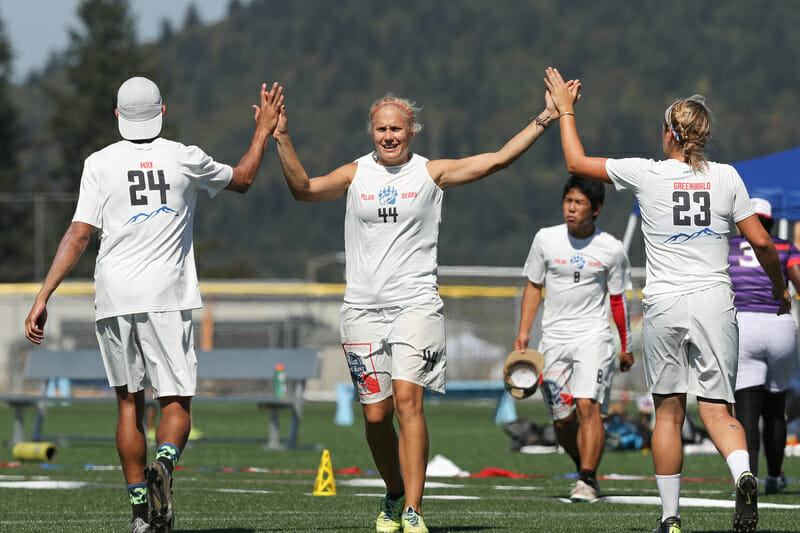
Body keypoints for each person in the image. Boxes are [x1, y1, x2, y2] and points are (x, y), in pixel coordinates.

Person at [271, 83, 575, 533]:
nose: (388, 136)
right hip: (361, 311)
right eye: (381, 129)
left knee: (408, 403)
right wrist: (281, 137)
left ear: (412, 131)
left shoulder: (431, 174)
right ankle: (393, 493)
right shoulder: (355, 174)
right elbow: (304, 188)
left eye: (396, 128)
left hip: (415, 307)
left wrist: (547, 117)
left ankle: (413, 509)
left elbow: (497, 159)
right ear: (371, 132)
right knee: (375, 415)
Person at [24, 76, 283, 533]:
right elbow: (242, 179)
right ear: (162, 112)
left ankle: (141, 514)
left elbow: (79, 233)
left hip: (114, 296)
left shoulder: (99, 163)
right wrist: (262, 129)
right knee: (175, 403)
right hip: (167, 295)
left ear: (117, 116)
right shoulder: (184, 155)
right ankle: (164, 462)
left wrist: (43, 296)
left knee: (128, 404)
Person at [544, 67, 790, 533]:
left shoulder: (647, 174)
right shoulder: (727, 177)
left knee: (669, 411)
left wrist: (566, 109)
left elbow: (576, 161)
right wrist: (780, 287)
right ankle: (743, 474)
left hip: (665, 305)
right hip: (716, 302)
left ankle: (671, 518)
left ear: (669, 134)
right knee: (719, 411)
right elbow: (761, 242)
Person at [514, 175, 633, 502]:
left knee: (587, 405)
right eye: (568, 201)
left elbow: (618, 299)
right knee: (562, 420)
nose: (571, 208)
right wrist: (524, 332)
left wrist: (627, 346)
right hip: (553, 340)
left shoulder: (611, 248)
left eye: (579, 203)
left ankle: (587, 478)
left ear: (595, 209)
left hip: (593, 337)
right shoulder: (545, 239)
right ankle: (585, 467)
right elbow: (533, 286)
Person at [729, 197, 800, 494]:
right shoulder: (785, 247)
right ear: (770, 222)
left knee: (746, 409)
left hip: (742, 324)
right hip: (779, 325)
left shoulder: (728, 248)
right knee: (775, 408)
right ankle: (773, 477)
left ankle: (749, 478)